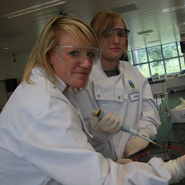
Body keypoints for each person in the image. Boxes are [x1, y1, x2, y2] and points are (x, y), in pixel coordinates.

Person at [0, 14, 185, 185]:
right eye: (73, 53)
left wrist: (116, 167)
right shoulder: (45, 106)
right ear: (49, 55)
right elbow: (100, 180)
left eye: (89, 54)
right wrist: (174, 169)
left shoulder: (48, 89)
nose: (87, 63)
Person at [71, 10, 161, 161]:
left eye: (120, 34)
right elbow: (80, 128)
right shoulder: (84, 77)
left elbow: (149, 111)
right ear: (94, 38)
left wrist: (144, 135)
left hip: (138, 154)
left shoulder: (132, 72)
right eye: (107, 34)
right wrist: (99, 131)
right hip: (104, 165)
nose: (116, 41)